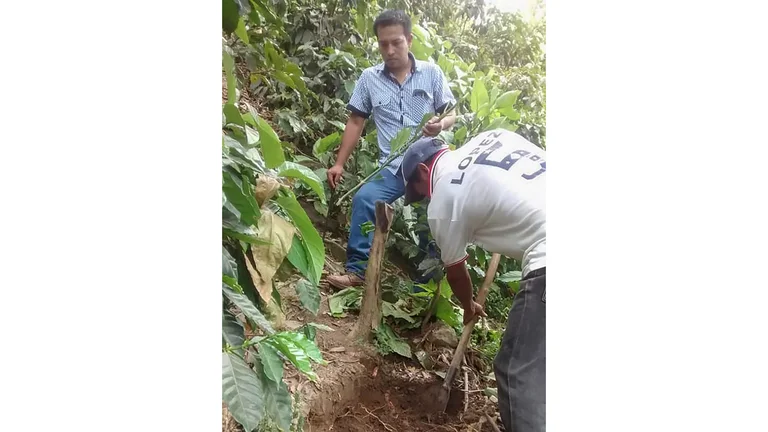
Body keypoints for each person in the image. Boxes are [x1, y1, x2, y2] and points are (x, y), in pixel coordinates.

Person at [399, 129, 546, 432]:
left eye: (419, 190)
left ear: (424, 170)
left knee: (516, 371)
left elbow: (455, 271)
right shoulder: (491, 137)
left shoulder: (444, 196)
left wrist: (468, 305)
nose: (425, 198)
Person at [326, 9, 457, 289]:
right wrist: (339, 163)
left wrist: (440, 124)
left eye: (396, 42)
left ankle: (427, 285)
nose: (389, 50)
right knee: (365, 199)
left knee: (434, 215)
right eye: (383, 44)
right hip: (393, 166)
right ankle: (357, 271)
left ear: (409, 40)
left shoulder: (431, 73)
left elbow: (451, 114)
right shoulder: (369, 78)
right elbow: (356, 121)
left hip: (431, 163)